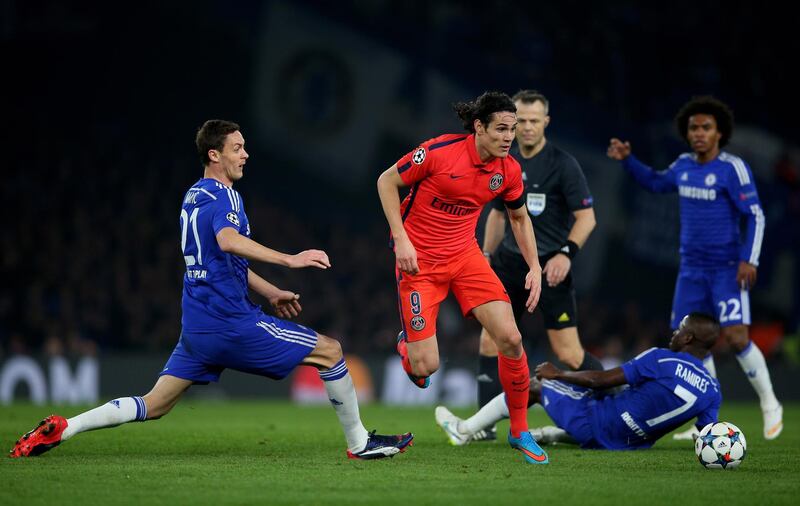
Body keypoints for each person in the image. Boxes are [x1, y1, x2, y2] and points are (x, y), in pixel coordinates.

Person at [10, 120, 412, 460]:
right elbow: (227, 241)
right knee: (331, 351)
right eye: (237, 148)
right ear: (214, 155)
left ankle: (64, 428)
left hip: (198, 327)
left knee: (155, 403)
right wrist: (290, 259)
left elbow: (222, 261)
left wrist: (271, 291)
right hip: (230, 323)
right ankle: (360, 443)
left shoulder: (193, 195)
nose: (245, 154)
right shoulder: (225, 196)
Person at [376, 91, 548, 464]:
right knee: (425, 368)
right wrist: (401, 239)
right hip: (418, 263)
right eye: (501, 129)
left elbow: (519, 218)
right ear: (479, 127)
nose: (509, 137)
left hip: (465, 257)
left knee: (511, 337)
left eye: (513, 130)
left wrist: (534, 267)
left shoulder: (508, 170)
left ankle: (519, 430)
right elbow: (386, 182)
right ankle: (409, 345)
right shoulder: (438, 152)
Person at [606, 96, 782, 440]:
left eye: (706, 127)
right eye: (693, 128)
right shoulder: (683, 164)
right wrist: (629, 161)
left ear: (720, 133)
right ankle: (706, 421)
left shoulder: (732, 169)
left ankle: (769, 402)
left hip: (726, 268)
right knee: (689, 341)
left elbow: (755, 215)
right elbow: (657, 183)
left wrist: (750, 259)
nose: (698, 133)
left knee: (735, 336)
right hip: (690, 270)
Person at [474, 90, 603, 442]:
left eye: (534, 121)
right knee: (490, 340)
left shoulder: (563, 165)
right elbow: (498, 215)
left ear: (546, 122)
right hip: (508, 265)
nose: (527, 128)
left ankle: (614, 402)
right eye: (522, 121)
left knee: (568, 353)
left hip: (551, 268)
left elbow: (587, 218)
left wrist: (566, 253)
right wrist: (486, 257)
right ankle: (483, 428)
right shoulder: (506, 160)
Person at [435, 313, 722, 450]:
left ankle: (464, 430)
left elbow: (602, 381)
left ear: (687, 338)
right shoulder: (712, 389)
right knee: (601, 404)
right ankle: (545, 435)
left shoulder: (663, 359)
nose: (674, 331)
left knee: (532, 384)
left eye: (680, 328)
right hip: (629, 443)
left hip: (599, 424)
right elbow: (707, 435)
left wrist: (557, 374)